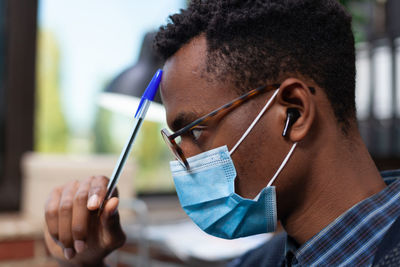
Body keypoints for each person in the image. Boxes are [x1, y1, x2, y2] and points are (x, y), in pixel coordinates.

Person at [44, 0, 400, 266]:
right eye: (176, 139)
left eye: (195, 130)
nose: (184, 164)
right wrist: (85, 262)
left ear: (294, 111)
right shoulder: (264, 260)